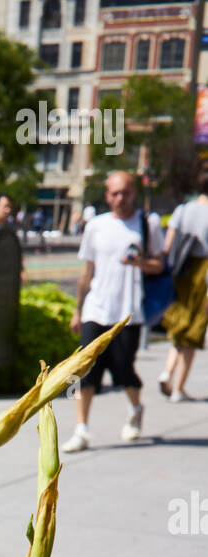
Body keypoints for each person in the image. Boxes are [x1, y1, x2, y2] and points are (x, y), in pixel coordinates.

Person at [62, 171, 165, 453]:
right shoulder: (96, 225)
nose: (120, 198)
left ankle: (135, 408)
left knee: (123, 369)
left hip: (128, 313)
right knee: (85, 370)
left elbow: (159, 265)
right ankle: (81, 430)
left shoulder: (146, 224)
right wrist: (78, 309)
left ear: (134, 193)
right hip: (96, 309)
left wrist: (140, 263)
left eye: (125, 192)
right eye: (114, 193)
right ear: (107, 196)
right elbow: (87, 271)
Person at [158, 168, 208, 402]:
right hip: (203, 275)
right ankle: (178, 388)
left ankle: (167, 372)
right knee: (193, 332)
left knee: (179, 327)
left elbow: (167, 247)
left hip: (181, 272)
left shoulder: (182, 210)